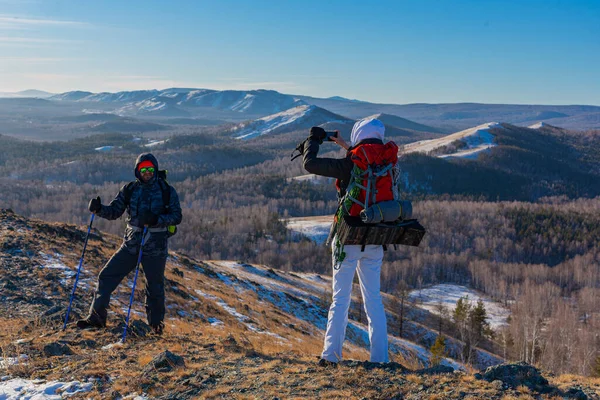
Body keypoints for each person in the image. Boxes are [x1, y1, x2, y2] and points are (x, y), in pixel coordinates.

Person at [303, 118, 390, 366]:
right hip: (375, 238)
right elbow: (366, 162)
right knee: (374, 300)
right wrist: (347, 146)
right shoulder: (388, 161)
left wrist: (313, 140)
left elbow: (310, 164)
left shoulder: (350, 165)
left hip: (347, 238)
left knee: (340, 299)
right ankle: (380, 360)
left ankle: (331, 356)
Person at [76, 153, 182, 335]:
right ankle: (96, 319)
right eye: (143, 169)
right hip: (131, 244)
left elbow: (177, 216)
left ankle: (155, 328)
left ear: (155, 170)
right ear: (137, 171)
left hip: (155, 247)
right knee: (106, 276)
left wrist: (157, 219)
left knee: (154, 287)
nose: (147, 172)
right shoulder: (130, 189)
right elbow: (115, 211)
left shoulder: (167, 191)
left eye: (150, 169)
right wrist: (99, 209)